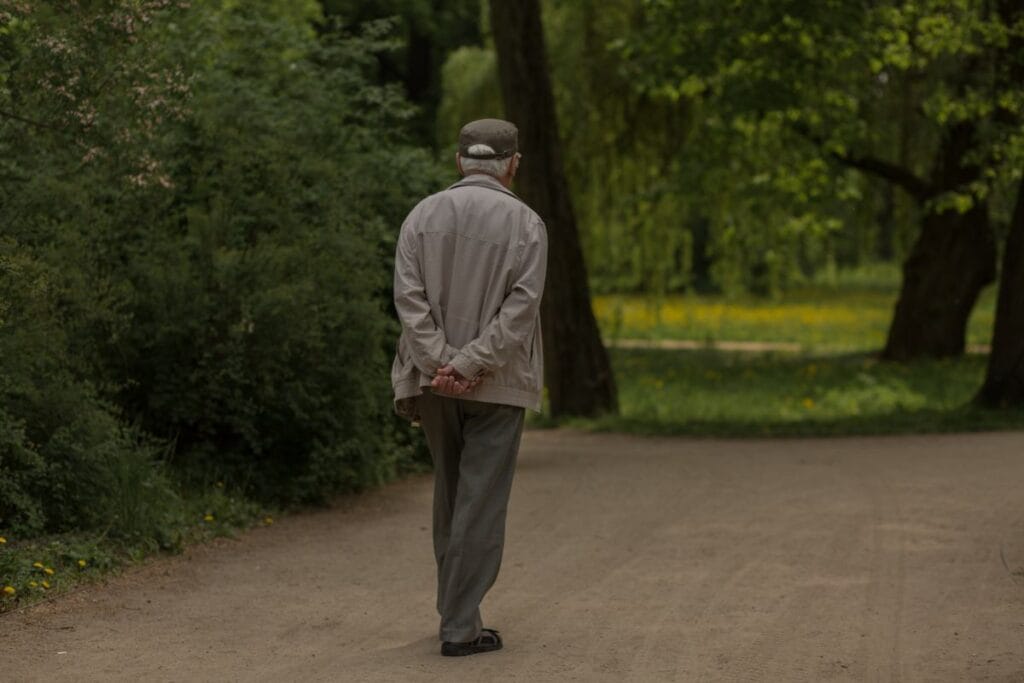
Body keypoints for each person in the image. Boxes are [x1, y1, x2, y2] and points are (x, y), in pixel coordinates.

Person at [391, 118, 547, 657]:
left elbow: (408, 301)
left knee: (451, 496)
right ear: (512, 164)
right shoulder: (527, 224)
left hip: (434, 384)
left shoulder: (421, 216)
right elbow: (520, 312)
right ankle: (459, 626)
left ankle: (458, 613)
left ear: (460, 161)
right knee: (480, 503)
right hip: (499, 385)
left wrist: (441, 364)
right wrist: (473, 364)